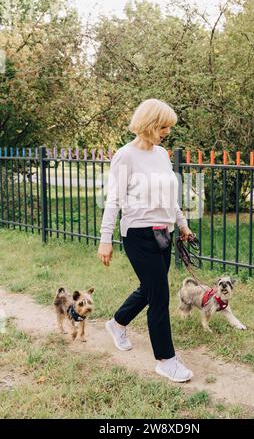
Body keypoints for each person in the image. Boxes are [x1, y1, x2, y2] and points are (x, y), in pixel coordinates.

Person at [98, 98, 194, 382]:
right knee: (160, 297)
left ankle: (117, 323)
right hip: (138, 235)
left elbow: (168, 196)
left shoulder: (162, 154)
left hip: (163, 233)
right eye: (164, 126)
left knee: (151, 288)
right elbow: (113, 200)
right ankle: (166, 360)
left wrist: (183, 224)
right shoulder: (125, 156)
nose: (167, 131)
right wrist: (106, 239)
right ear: (151, 124)